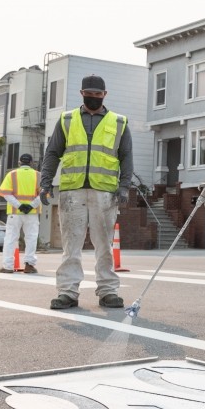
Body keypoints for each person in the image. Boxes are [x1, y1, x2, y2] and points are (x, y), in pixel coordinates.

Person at [39, 75, 132, 310]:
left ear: (105, 95)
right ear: (82, 93)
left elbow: (126, 156)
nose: (93, 98)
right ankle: (68, 292)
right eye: (89, 94)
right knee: (71, 246)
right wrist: (46, 182)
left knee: (104, 245)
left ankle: (108, 291)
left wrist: (124, 186)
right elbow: (52, 153)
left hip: (105, 193)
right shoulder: (67, 120)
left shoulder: (119, 122)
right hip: (73, 191)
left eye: (97, 95)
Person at [0, 153, 41, 274]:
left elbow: (6, 194)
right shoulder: (38, 175)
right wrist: (31, 206)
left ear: (19, 162)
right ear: (32, 162)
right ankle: (29, 265)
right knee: (31, 238)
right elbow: (42, 195)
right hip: (32, 213)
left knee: (11, 238)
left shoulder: (12, 174)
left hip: (15, 213)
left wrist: (19, 205)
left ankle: (8, 266)